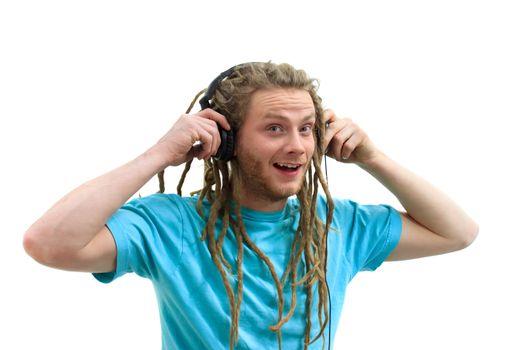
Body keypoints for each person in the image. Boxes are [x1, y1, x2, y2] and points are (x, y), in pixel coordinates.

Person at [23, 62, 478, 350]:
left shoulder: (337, 224)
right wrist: (159, 153)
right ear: (227, 141)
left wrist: (373, 157)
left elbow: (457, 232)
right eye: (275, 128)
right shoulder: (170, 225)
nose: (299, 146)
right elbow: (48, 243)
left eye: (307, 129)